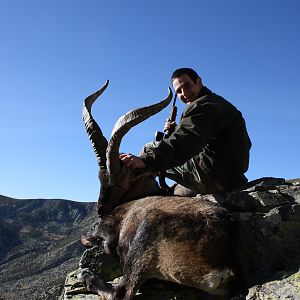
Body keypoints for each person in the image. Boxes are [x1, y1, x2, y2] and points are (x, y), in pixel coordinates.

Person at [120, 68, 251, 196]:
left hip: (213, 175)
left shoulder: (204, 105)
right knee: (175, 191)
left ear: (198, 81)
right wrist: (175, 131)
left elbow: (185, 143)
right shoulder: (214, 103)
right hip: (228, 177)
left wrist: (146, 160)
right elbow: (197, 139)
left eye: (187, 86)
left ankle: (140, 196)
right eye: (179, 91)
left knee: (148, 148)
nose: (184, 93)